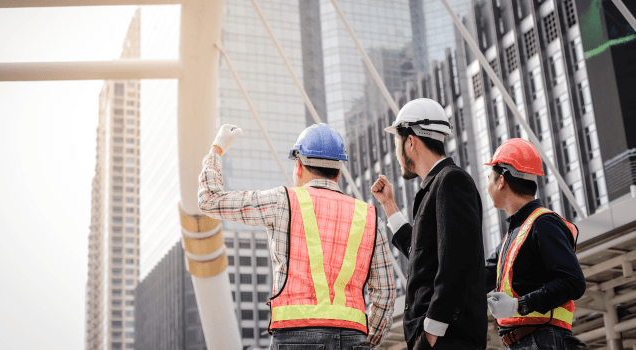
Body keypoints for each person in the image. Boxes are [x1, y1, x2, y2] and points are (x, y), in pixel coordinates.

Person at [198, 123, 396, 349]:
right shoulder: (369, 217)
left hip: (294, 338)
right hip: (353, 338)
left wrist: (216, 150)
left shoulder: (283, 201)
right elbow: (386, 292)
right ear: (338, 172)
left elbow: (209, 200)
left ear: (299, 167)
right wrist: (367, 340)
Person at [371, 98, 487, 350]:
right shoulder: (437, 186)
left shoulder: (452, 181)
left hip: (445, 338)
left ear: (410, 141)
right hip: (438, 337)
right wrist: (389, 205)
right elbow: (422, 254)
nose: (397, 153)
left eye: (397, 143)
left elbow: (457, 261)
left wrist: (432, 331)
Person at [483, 138, 587, 349]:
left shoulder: (543, 223)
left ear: (501, 181)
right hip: (528, 342)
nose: (487, 186)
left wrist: (517, 306)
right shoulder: (513, 236)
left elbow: (573, 281)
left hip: (543, 340)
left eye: (489, 178)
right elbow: (478, 277)